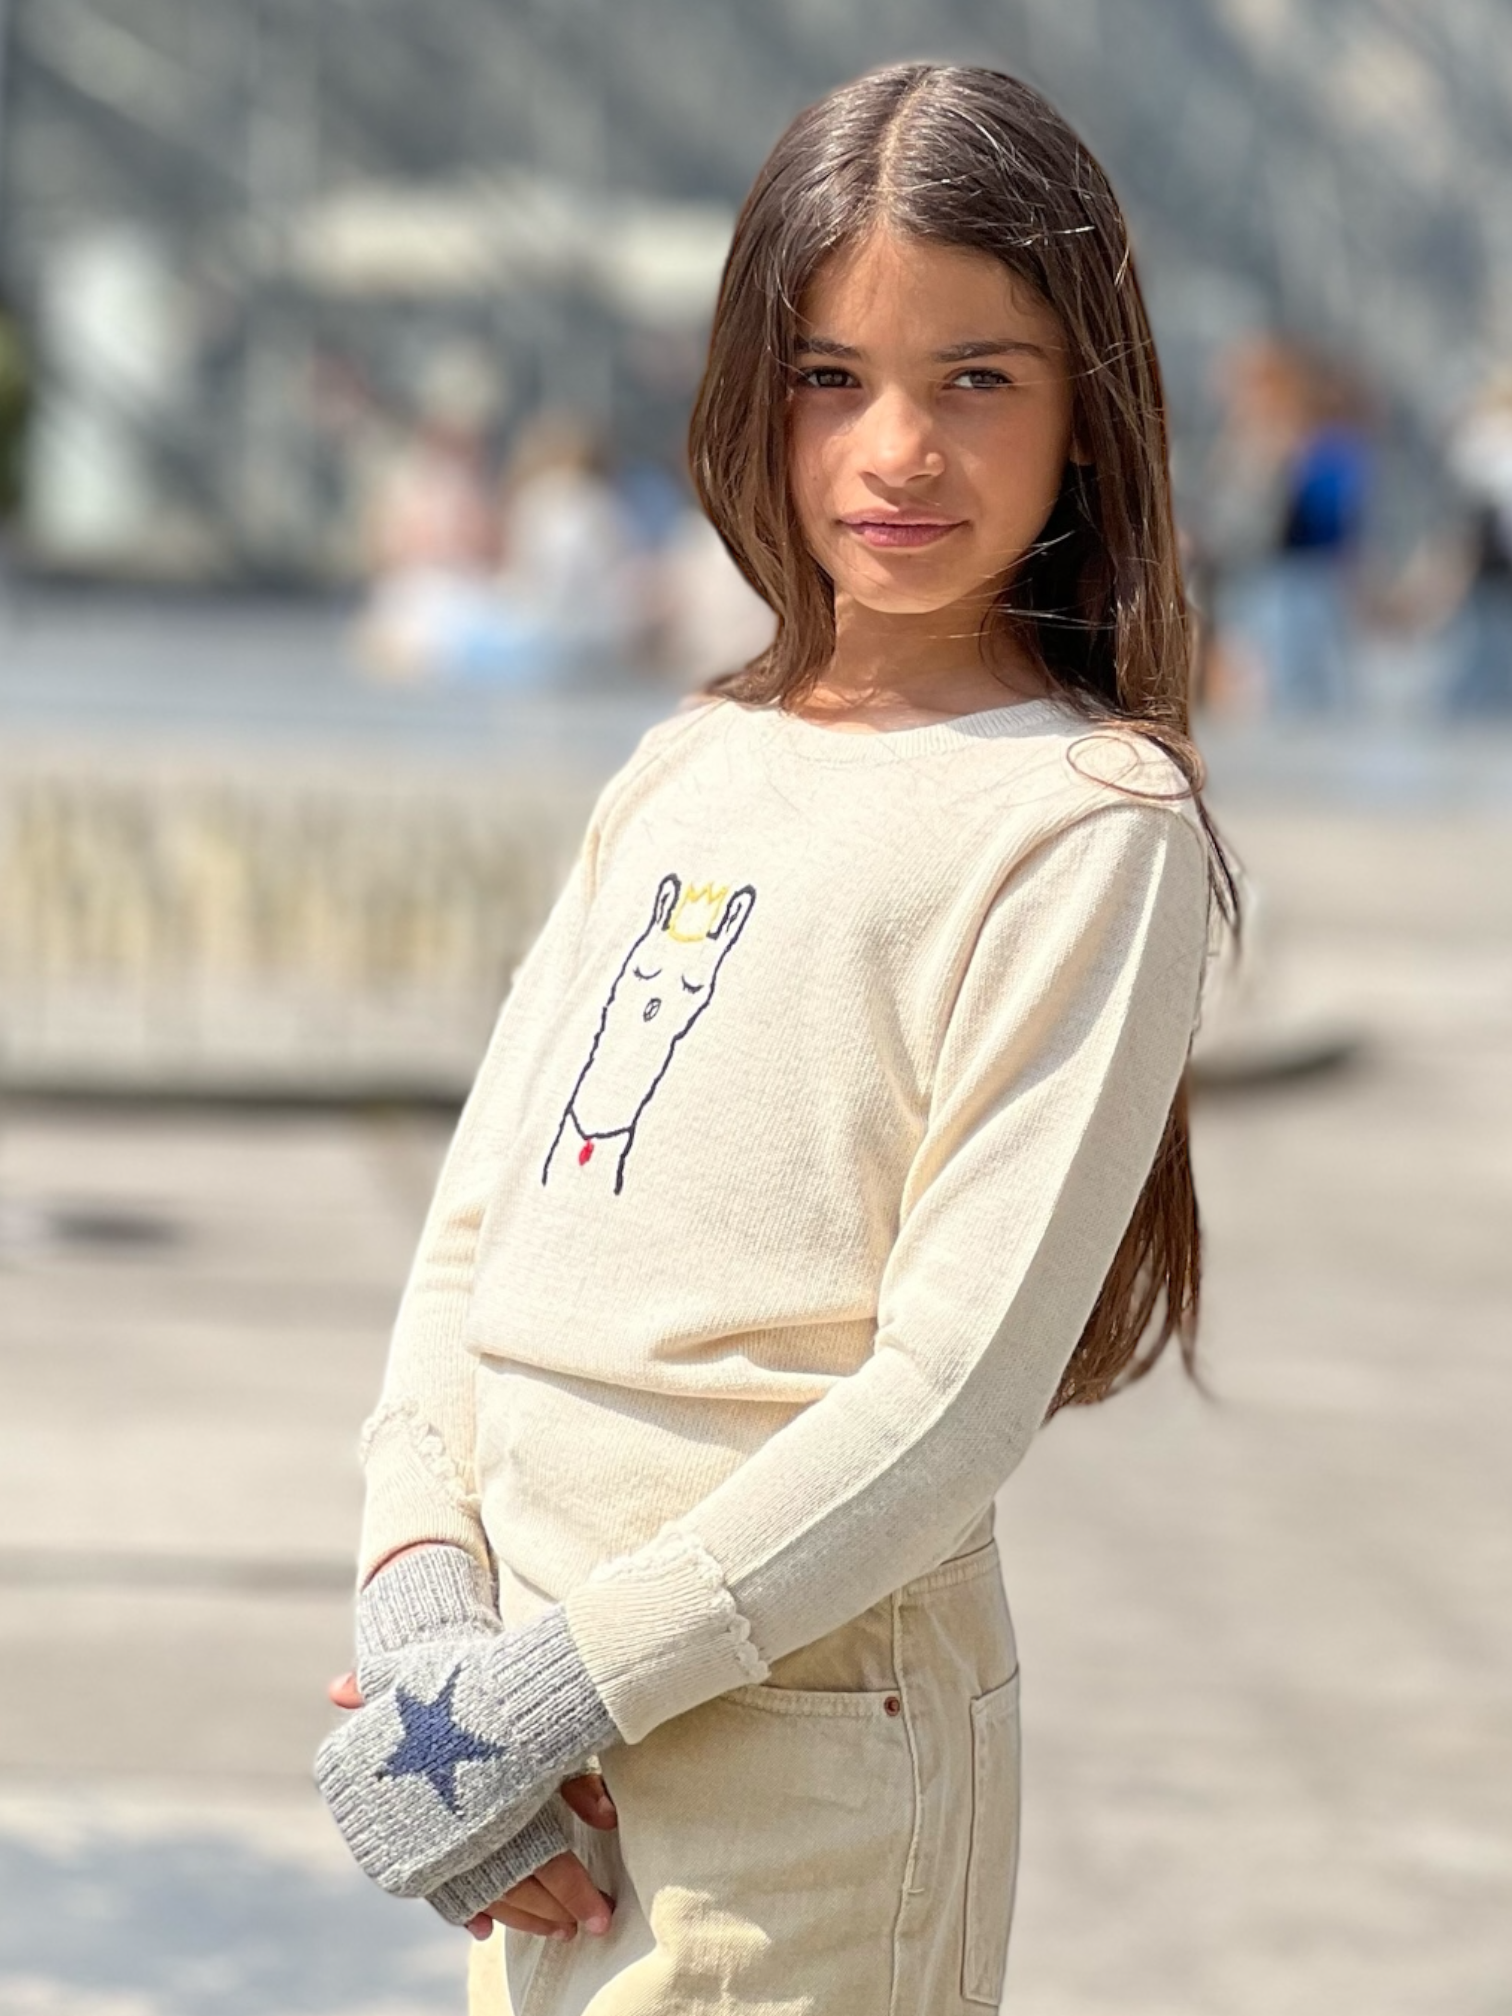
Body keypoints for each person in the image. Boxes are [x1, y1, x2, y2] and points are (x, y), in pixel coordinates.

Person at [315, 64, 1233, 2015]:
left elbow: (949, 1403)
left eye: (976, 378)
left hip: (807, 1771)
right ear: (753, 388)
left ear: (1088, 411)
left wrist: (533, 1698)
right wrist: (421, 1618)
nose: (897, 449)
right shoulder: (690, 760)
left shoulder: (1083, 825)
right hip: (534, 1748)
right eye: (832, 376)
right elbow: (480, 1228)